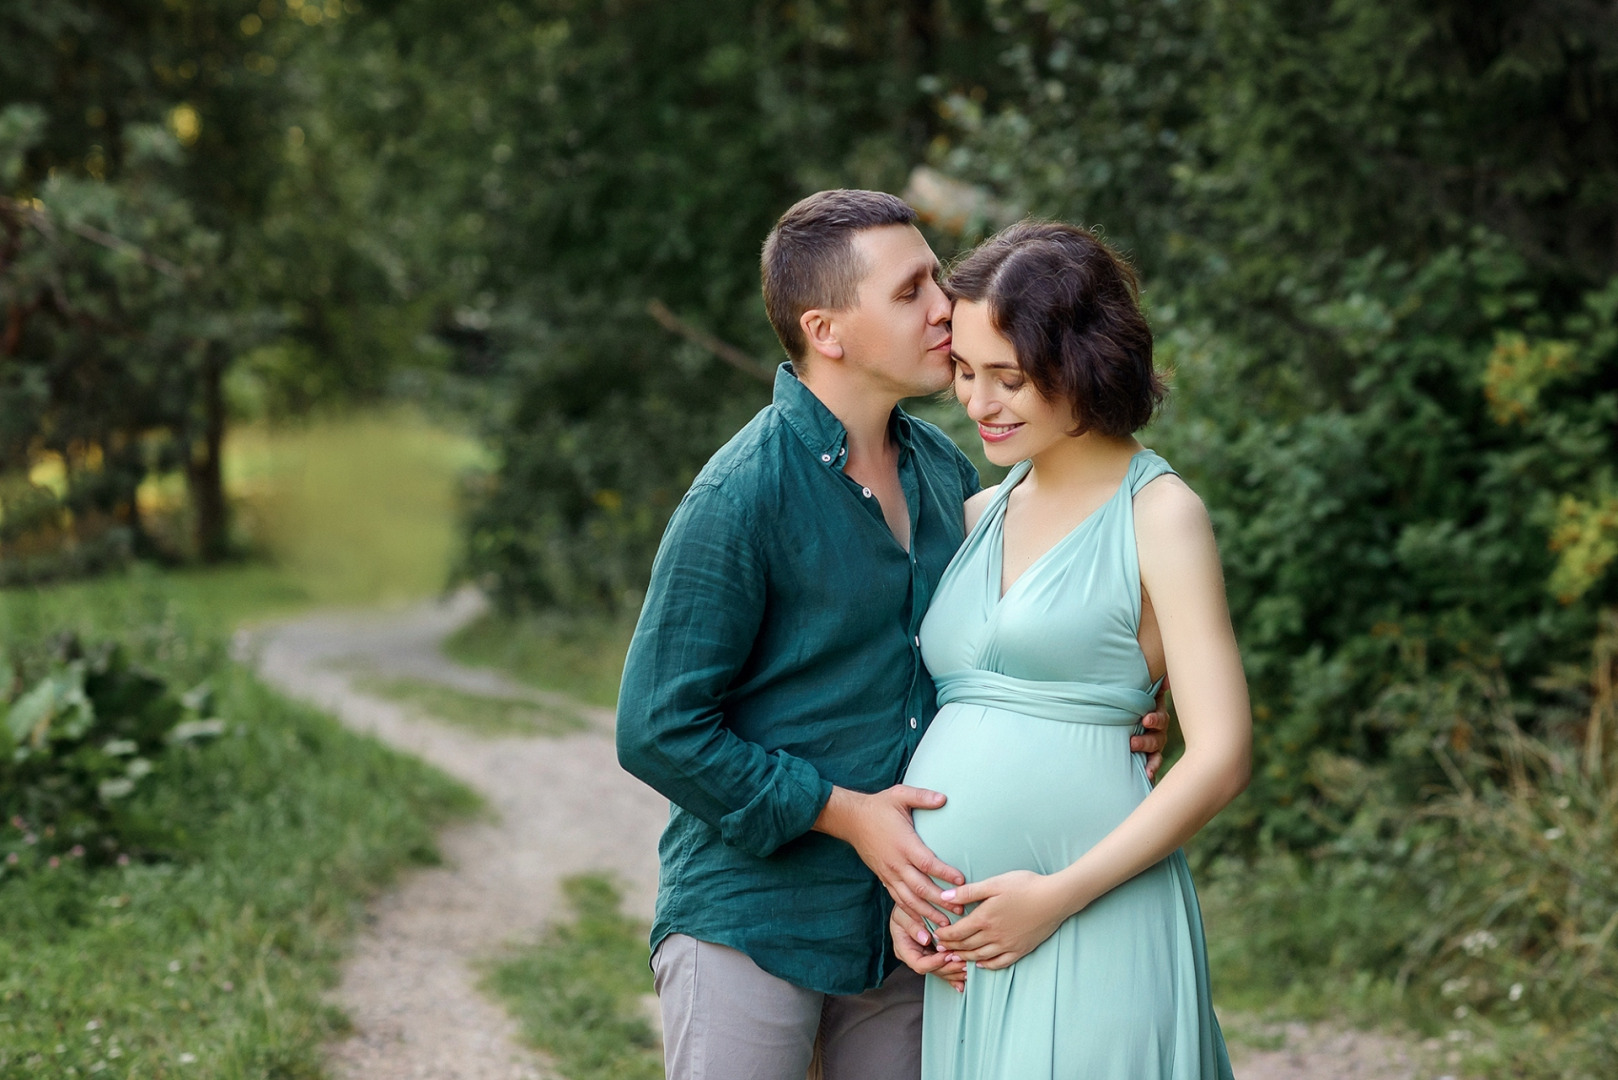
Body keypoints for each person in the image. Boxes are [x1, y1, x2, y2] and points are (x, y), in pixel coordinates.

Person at [615, 191, 1169, 1080]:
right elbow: (656, 728)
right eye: (913, 291)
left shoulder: (951, 474)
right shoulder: (740, 497)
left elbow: (998, 659)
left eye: (938, 279)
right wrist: (845, 815)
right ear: (827, 331)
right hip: (756, 919)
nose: (946, 307)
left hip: (912, 929)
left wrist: (1124, 703)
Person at [891, 221, 1251, 1079]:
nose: (980, 404)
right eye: (967, 374)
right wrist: (907, 895)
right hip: (969, 947)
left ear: (1083, 365)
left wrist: (1052, 900)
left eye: (1009, 379)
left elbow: (1224, 755)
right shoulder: (977, 514)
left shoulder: (1159, 515)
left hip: (1094, 916)